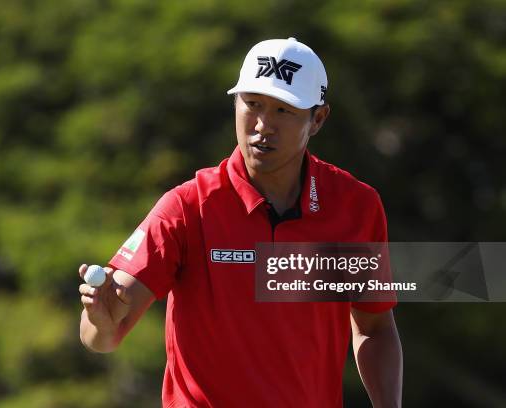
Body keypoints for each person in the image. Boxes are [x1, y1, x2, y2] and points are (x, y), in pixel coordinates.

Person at [78, 37, 403, 407]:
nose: (263, 125)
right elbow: (103, 334)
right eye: (252, 104)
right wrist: (100, 323)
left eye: (284, 111)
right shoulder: (186, 208)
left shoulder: (356, 207)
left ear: (318, 119)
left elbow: (374, 329)